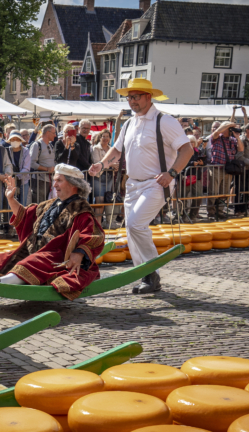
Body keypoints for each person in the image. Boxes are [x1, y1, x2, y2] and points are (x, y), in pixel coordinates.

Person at [89, 78, 192, 294]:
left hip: (156, 184)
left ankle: (150, 273)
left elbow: (186, 150)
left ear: (148, 97)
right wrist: (101, 163)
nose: (132, 101)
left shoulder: (165, 121)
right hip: (133, 185)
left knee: (136, 225)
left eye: (136, 97)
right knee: (131, 229)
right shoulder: (129, 123)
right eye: (129, 97)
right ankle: (146, 275)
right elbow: (117, 151)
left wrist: (172, 173)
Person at [0, 165, 105, 300]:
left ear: (73, 184)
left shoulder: (81, 210)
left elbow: (93, 236)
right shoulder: (50, 203)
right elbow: (25, 216)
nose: (55, 184)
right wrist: (11, 199)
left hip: (56, 256)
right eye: (55, 180)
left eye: (59, 180)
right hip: (33, 248)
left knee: (31, 262)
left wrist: (78, 253)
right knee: (1, 258)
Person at [207, 121, 240, 220]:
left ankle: (220, 211)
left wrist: (237, 136)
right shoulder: (216, 137)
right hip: (216, 168)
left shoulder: (232, 140)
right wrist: (228, 125)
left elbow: (241, 149)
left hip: (228, 169)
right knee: (213, 192)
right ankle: (211, 213)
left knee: (224, 193)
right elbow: (217, 132)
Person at [90, 129, 116, 222]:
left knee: (107, 201)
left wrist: (114, 166)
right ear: (100, 137)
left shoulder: (111, 149)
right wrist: (112, 165)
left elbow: (115, 162)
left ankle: (106, 223)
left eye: (107, 136)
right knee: (99, 202)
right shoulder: (96, 148)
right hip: (99, 177)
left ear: (110, 138)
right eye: (103, 136)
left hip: (109, 177)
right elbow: (97, 162)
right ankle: (98, 224)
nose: (105, 138)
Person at [181, 135, 208, 221]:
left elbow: (205, 162)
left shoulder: (198, 151)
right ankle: (184, 216)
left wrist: (201, 163)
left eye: (193, 142)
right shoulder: (183, 151)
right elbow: (181, 163)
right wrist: (192, 163)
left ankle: (193, 215)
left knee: (198, 197)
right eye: (189, 142)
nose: (191, 144)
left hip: (197, 177)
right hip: (186, 176)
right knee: (184, 198)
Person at [30, 124, 57, 204]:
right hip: (39, 181)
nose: (55, 135)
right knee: (39, 205)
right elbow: (32, 163)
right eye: (54, 133)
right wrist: (47, 169)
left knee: (48, 205)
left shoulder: (51, 145)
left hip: (50, 180)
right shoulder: (36, 145)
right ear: (48, 133)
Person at [6, 131, 31, 208]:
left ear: (20, 140)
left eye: (17, 139)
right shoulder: (6, 151)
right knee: (11, 204)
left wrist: (17, 176)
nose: (15, 141)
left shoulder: (26, 151)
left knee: (22, 204)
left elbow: (26, 168)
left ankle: (21, 219)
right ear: (10, 141)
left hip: (24, 181)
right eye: (13, 139)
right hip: (10, 182)